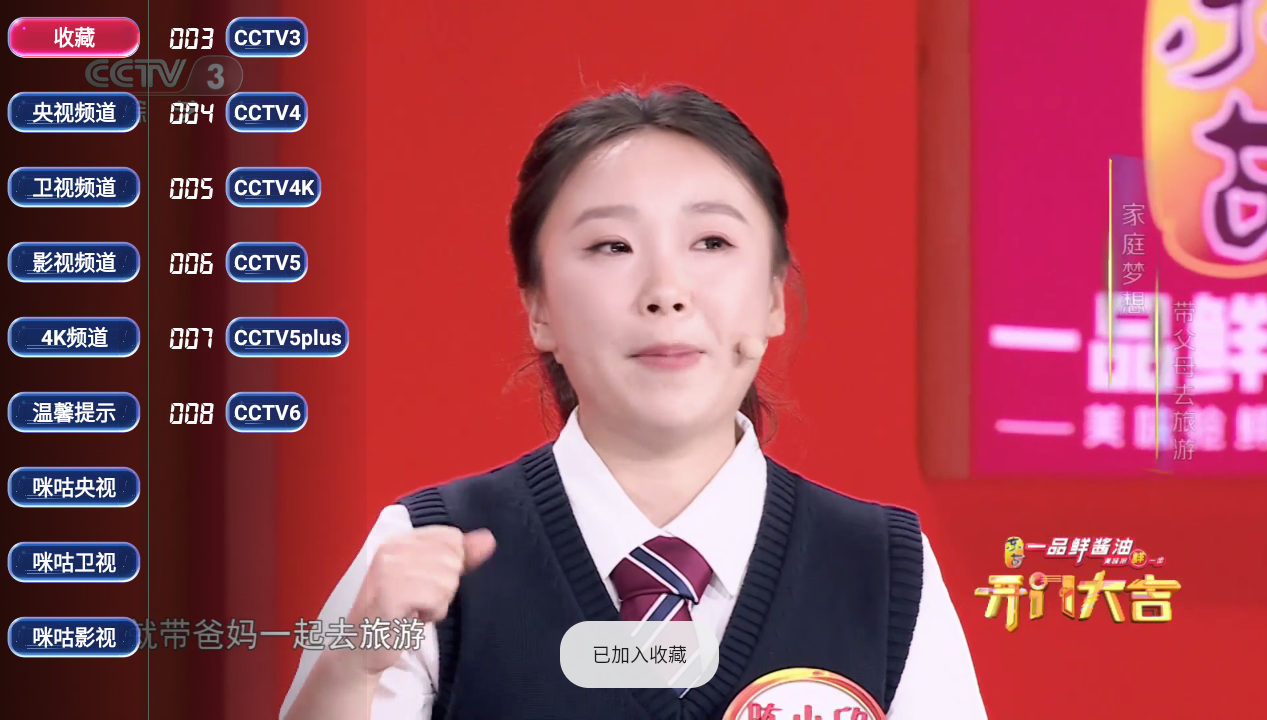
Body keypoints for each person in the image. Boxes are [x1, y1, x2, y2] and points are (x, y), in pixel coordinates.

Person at [280, 85, 987, 720]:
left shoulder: (881, 567)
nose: (665, 291)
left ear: (774, 298)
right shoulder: (422, 551)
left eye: (712, 241)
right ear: (539, 308)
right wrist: (346, 669)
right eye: (612, 246)